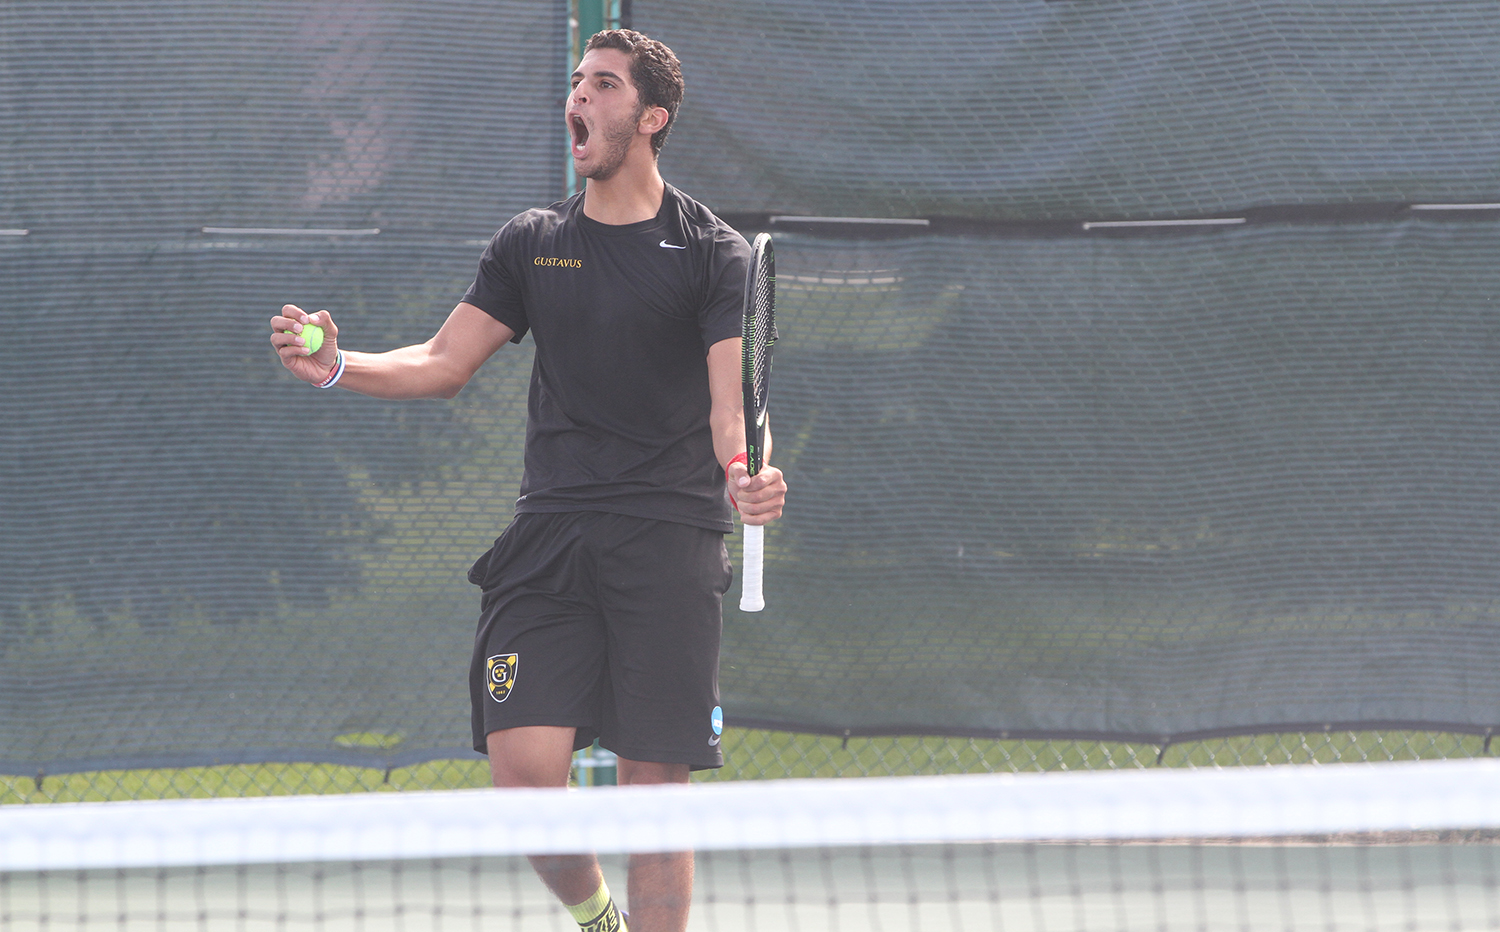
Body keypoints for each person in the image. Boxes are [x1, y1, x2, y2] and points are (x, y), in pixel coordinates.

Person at [269, 28, 786, 932]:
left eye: (603, 86)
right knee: (524, 782)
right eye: (576, 82)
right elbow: (440, 360)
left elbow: (727, 412)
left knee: (652, 796)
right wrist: (340, 362)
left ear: (651, 117)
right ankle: (598, 921)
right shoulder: (532, 244)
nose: (577, 100)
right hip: (549, 535)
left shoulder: (713, 253)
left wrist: (749, 478)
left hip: (667, 539)